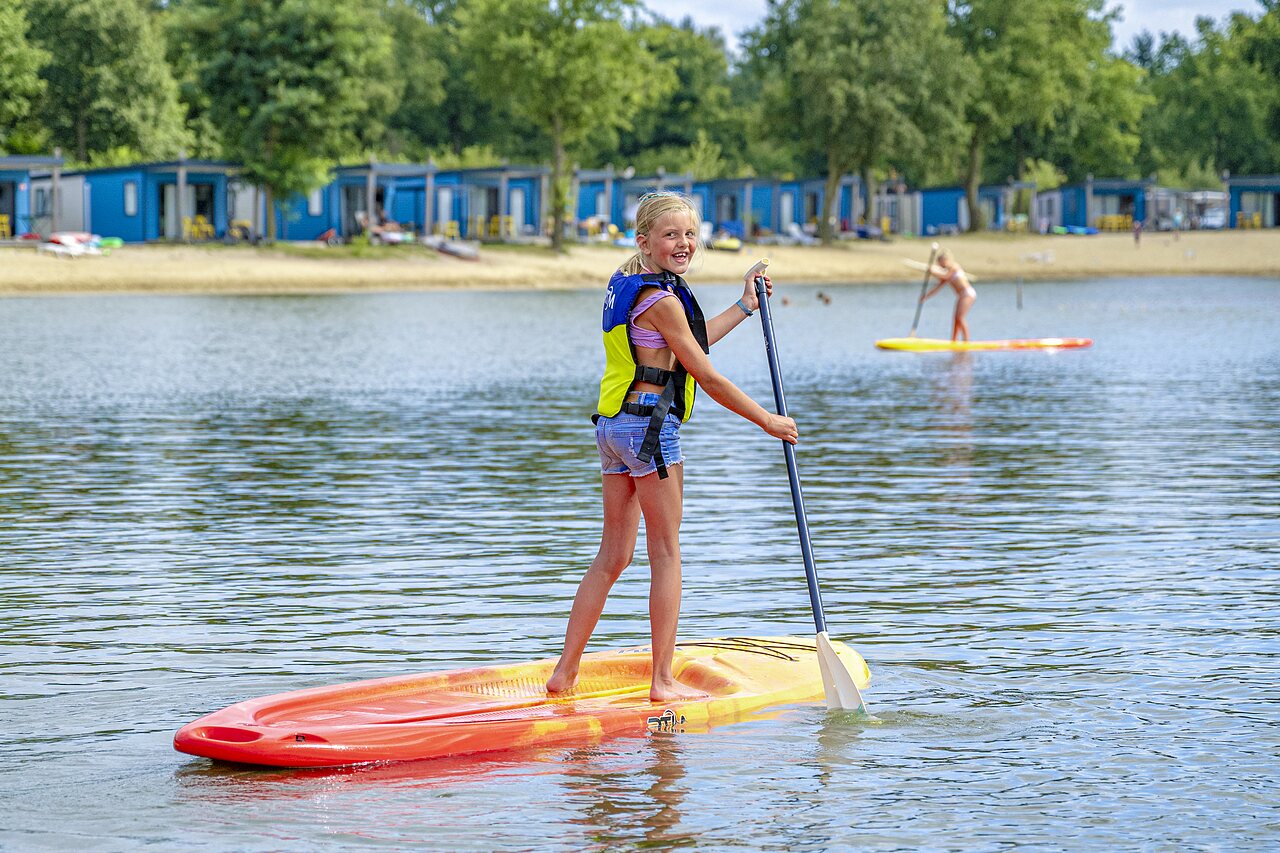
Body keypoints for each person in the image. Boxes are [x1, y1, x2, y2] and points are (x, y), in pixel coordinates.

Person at [545, 192, 799, 702]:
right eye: (670, 235)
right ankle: (662, 681)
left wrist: (746, 305)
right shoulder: (660, 300)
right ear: (645, 241)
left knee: (613, 556)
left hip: (615, 429)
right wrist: (767, 420)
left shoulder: (631, 286)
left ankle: (564, 674)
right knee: (665, 552)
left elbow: (690, 343)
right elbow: (704, 375)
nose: (683, 244)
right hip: (651, 433)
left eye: (689, 234)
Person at [921, 249, 976, 342]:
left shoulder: (954, 267)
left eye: (941, 262)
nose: (941, 265)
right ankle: (954, 340)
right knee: (955, 318)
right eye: (939, 263)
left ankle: (967, 341)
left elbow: (946, 276)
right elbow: (938, 287)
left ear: (946, 260)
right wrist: (925, 297)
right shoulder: (947, 272)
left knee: (960, 318)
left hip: (968, 293)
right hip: (961, 295)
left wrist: (933, 272)